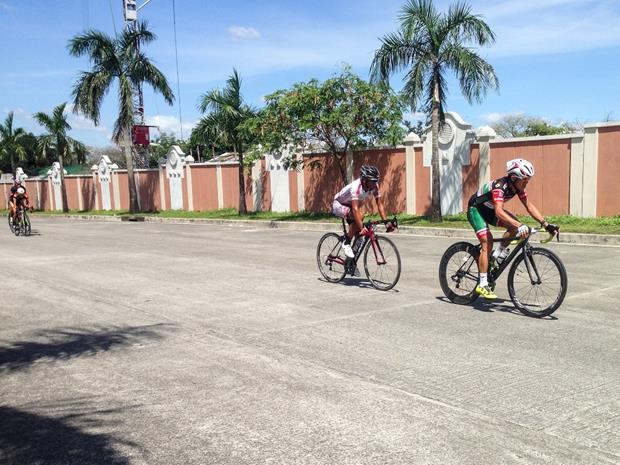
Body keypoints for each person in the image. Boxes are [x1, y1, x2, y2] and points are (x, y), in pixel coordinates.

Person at [467, 158, 559, 299]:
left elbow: (529, 206)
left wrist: (546, 225)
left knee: (514, 225)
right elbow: (499, 212)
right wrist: (520, 225)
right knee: (487, 241)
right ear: (514, 177)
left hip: (489, 209)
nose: (526, 183)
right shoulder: (500, 186)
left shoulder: (517, 187)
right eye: (525, 180)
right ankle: (483, 284)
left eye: (528, 180)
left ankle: (496, 255)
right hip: (476, 210)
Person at [332, 165, 394, 259]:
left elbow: (379, 204)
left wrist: (386, 222)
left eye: (376, 181)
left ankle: (350, 263)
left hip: (351, 207)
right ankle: (346, 241)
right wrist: (362, 228)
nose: (375, 183)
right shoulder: (356, 187)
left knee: (359, 236)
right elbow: (355, 209)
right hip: (339, 205)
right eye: (373, 181)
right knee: (359, 218)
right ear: (365, 180)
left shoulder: (374, 186)